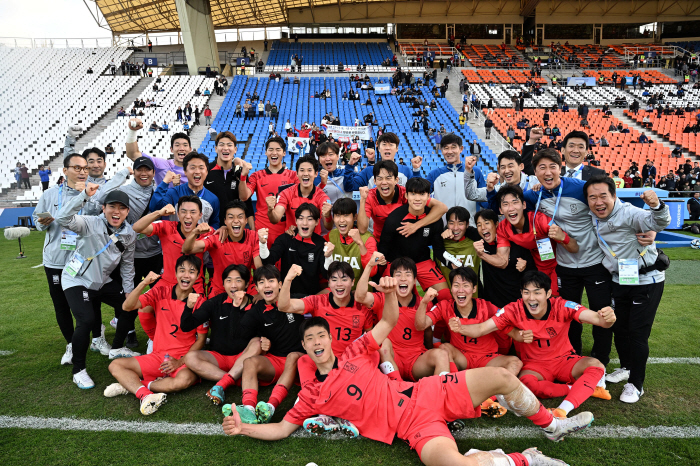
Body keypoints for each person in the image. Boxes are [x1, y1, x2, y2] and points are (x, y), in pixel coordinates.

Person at [222, 283, 594, 466]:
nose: (317, 342)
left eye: (321, 335)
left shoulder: (355, 351)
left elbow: (387, 320)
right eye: (310, 339)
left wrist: (387, 295)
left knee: (505, 380)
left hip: (429, 393)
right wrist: (244, 428)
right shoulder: (311, 396)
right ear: (305, 347)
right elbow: (282, 429)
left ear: (331, 340)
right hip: (413, 428)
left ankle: (551, 425)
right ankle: (526, 459)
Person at [461, 270, 614, 419]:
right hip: (535, 366)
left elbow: (598, 320)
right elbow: (481, 328)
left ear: (548, 294)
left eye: (537, 292)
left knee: (596, 365)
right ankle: (580, 388)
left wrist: (607, 317)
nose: (531, 298)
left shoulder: (562, 306)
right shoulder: (512, 309)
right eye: (526, 292)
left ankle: (561, 411)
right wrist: (459, 327)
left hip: (564, 360)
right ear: (521, 293)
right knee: (527, 384)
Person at [585, 176, 670, 403]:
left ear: (614, 195)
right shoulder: (592, 216)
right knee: (619, 328)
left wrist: (656, 205)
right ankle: (625, 367)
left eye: (603, 195)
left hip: (647, 280)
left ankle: (636, 383)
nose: (598, 202)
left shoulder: (629, 212)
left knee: (637, 333)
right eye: (592, 197)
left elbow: (659, 221)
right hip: (619, 279)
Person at [55, 187, 137, 389]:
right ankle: (78, 370)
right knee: (87, 320)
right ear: (103, 208)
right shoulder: (90, 223)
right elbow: (62, 218)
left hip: (102, 281)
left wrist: (129, 292)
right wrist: (84, 196)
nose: (116, 212)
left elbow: (127, 265)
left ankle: (116, 348)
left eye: (122, 208)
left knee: (131, 305)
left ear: (127, 212)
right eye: (112, 207)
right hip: (77, 279)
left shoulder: (129, 234)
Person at [105, 258, 207, 414]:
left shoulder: (200, 302)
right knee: (115, 365)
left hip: (184, 358)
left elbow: (201, 340)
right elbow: (127, 306)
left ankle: (134, 385)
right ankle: (145, 394)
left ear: (198, 276)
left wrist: (179, 362)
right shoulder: (161, 291)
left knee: (184, 381)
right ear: (175, 273)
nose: (186, 275)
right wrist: (144, 283)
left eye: (192, 272)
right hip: (159, 356)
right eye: (182, 270)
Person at [355, 256, 456, 382]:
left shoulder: (424, 302)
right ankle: (398, 389)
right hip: (391, 357)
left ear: (414, 281)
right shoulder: (383, 298)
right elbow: (359, 297)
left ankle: (443, 393)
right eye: (398, 274)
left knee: (441, 354)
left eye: (408, 274)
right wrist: (369, 265)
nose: (403, 278)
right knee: (383, 342)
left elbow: (427, 332)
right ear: (392, 279)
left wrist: (430, 352)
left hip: (416, 360)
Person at [229, 265, 305, 424]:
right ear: (256, 288)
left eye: (271, 281)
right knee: (249, 361)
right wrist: (236, 309)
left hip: (298, 360)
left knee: (292, 356)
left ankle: (270, 407)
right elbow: (238, 334)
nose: (267, 285)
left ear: (280, 284)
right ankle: (249, 409)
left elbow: (320, 302)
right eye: (261, 282)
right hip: (276, 361)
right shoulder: (258, 310)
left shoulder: (296, 300)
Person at [414, 267, 521, 379]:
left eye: (465, 285)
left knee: (515, 362)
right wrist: (424, 302)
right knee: (444, 348)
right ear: (451, 288)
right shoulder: (445, 306)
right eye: (456, 285)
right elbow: (420, 325)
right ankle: (452, 384)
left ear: (474, 288)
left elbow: (509, 327)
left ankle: (495, 394)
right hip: (462, 357)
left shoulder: (488, 307)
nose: (460, 290)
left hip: (487, 358)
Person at [180, 264, 262, 405]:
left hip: (244, 358)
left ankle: (224, 382)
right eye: (229, 280)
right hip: (218, 358)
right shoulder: (215, 303)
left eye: (238, 280)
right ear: (223, 283)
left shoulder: (256, 306)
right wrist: (188, 307)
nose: (233, 285)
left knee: (257, 341)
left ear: (247, 284)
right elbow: (186, 326)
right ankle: (234, 379)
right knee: (190, 357)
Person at [493, 185, 580, 297]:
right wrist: (481, 254)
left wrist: (563, 237)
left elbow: (574, 248)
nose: (511, 208)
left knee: (558, 302)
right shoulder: (502, 228)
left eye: (515, 202)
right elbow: (502, 259)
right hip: (537, 269)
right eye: (505, 204)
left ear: (524, 205)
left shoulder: (540, 220)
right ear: (500, 210)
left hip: (559, 265)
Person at [378, 178, 452, 302]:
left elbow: (439, 249)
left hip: (422, 262)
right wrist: (380, 272)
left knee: (445, 296)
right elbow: (383, 249)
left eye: (422, 194)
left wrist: (452, 262)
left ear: (428, 196)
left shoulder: (434, 218)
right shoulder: (394, 218)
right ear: (406, 195)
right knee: (389, 297)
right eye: (413, 194)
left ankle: (433, 318)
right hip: (398, 263)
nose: (417, 199)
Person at [279, 261, 374, 356]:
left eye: (344, 279)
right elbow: (284, 306)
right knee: (303, 362)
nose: (339, 284)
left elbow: (370, 337)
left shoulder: (362, 307)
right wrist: (288, 279)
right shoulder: (317, 301)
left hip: (352, 360)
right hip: (325, 360)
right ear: (328, 283)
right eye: (334, 279)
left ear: (353, 282)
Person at [133, 196, 213, 295]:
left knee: (193, 309)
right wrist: (159, 213)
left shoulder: (207, 232)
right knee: (142, 308)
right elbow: (137, 228)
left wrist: (223, 229)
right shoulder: (167, 227)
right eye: (183, 212)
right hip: (167, 282)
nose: (188, 216)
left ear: (200, 215)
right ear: (178, 214)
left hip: (194, 285)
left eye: (193, 212)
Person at [182, 200, 262, 297]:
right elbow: (187, 249)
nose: (236, 220)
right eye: (231, 217)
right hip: (220, 289)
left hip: (246, 287)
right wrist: (195, 232)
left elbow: (259, 267)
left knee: (262, 303)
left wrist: (260, 293)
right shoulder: (217, 237)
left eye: (240, 217)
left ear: (246, 220)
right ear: (225, 221)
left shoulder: (253, 236)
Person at [357, 160, 447, 242]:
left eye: (388, 178)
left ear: (396, 180)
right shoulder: (370, 196)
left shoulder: (405, 194)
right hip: (380, 242)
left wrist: (416, 225)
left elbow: (442, 208)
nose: (384, 182)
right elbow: (362, 229)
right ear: (375, 181)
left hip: (404, 241)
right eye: (380, 178)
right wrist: (363, 200)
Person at [239, 137, 299, 246]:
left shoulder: (294, 176)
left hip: (287, 229)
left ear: (284, 153)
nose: (274, 153)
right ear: (266, 152)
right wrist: (243, 176)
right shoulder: (256, 176)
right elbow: (244, 197)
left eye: (278, 149)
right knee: (262, 262)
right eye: (271, 149)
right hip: (262, 229)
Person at [259, 203, 327, 297]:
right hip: (286, 298)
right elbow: (268, 261)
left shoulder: (321, 243)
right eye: (301, 218)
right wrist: (262, 244)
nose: (305, 223)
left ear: (317, 222)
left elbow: (327, 274)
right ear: (295, 220)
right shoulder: (285, 239)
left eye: (310, 219)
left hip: (310, 299)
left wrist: (328, 257)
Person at [474, 209, 537, 307]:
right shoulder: (479, 244)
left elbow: (533, 273)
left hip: (516, 305)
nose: (483, 227)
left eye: (486, 223)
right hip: (492, 307)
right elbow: (462, 229)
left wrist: (525, 267)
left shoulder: (516, 244)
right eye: (478, 225)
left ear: (496, 224)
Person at [149, 152, 221, 229]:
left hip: (200, 240)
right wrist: (164, 182)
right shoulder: (173, 193)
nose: (197, 171)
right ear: (185, 171)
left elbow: (214, 223)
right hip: (176, 240)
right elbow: (155, 208)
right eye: (192, 167)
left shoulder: (213, 199)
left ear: (206, 172)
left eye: (201, 168)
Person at [426, 134, 485, 226]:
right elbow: (421, 196)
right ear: (441, 151)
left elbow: (484, 201)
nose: (449, 151)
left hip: (470, 228)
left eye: (453, 147)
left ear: (461, 149)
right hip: (443, 229)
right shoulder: (434, 174)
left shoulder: (475, 172)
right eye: (446, 148)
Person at [268, 156, 332, 235]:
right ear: (297, 174)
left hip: (314, 243)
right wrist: (270, 210)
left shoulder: (322, 196)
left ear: (316, 173)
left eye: (309, 170)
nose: (305, 174)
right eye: (302, 170)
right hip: (291, 240)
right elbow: (275, 219)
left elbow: (328, 226)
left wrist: (328, 216)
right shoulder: (286, 193)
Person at [324, 198, 378, 288]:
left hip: (361, 294)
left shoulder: (368, 239)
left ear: (355, 217)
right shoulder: (331, 235)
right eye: (337, 215)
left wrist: (360, 243)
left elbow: (372, 272)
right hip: (337, 292)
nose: (341, 220)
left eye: (346, 215)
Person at [126, 118, 198, 186]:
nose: (181, 148)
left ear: (190, 149)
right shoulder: (161, 165)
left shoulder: (198, 170)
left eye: (185, 145)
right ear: (171, 149)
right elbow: (133, 154)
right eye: (177, 145)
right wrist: (132, 132)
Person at [205, 132, 253, 229]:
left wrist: (253, 230)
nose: (225, 148)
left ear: (235, 149)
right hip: (210, 229)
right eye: (221, 145)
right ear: (215, 149)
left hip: (234, 228)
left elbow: (247, 202)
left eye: (229, 145)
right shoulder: (206, 170)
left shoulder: (241, 172)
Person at [344, 133, 421, 190]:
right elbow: (349, 187)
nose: (387, 148)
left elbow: (418, 190)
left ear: (397, 148)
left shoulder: (405, 170)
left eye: (391, 145)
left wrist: (416, 170)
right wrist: (350, 165)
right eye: (384, 144)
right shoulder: (369, 171)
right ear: (379, 148)